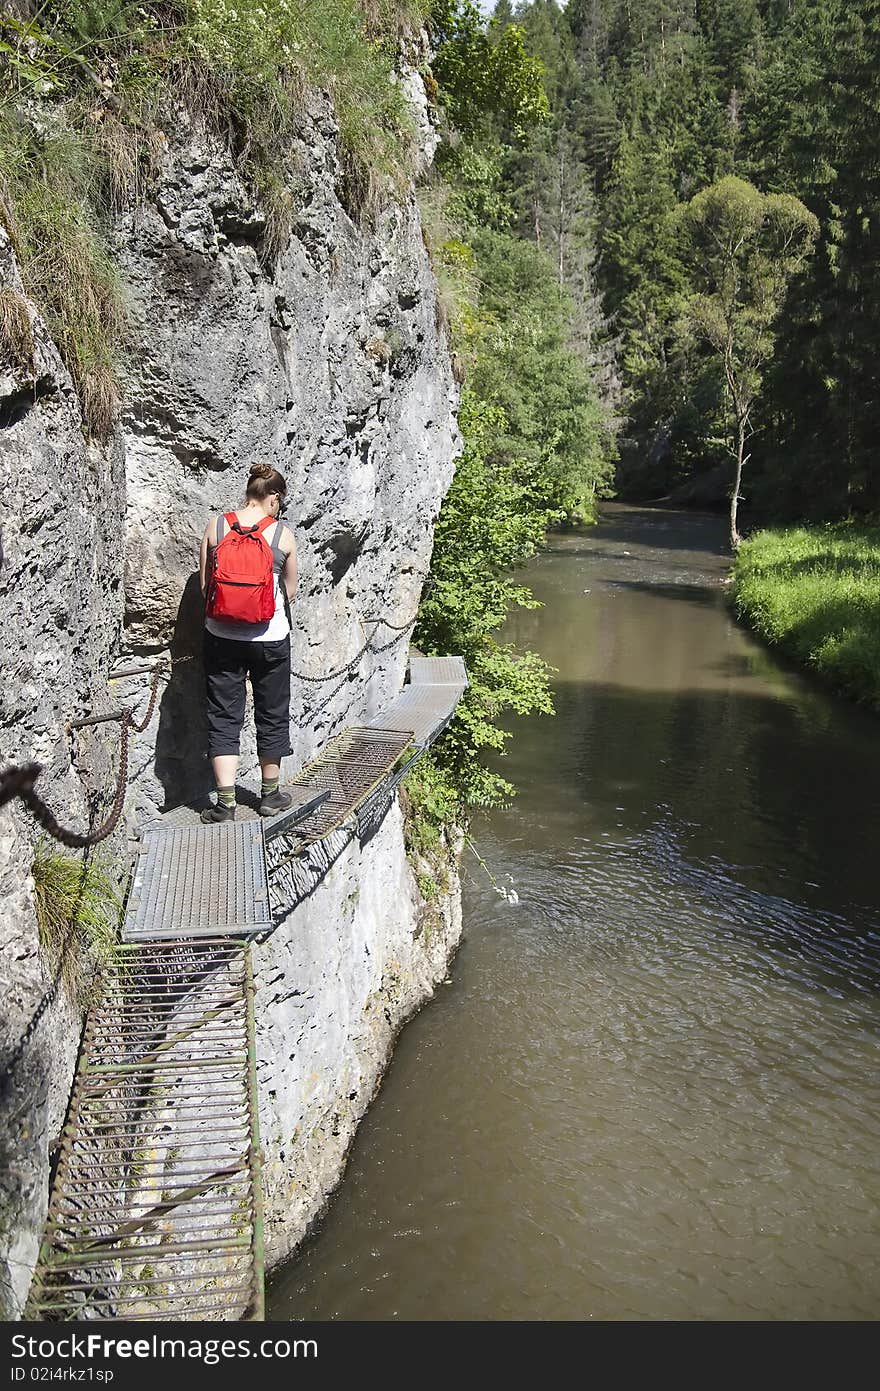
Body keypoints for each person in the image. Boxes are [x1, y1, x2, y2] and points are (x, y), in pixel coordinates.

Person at [198, 463, 298, 822]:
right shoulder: (281, 535)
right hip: (270, 638)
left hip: (221, 635)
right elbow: (290, 590)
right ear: (273, 497)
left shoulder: (218, 526)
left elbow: (206, 586)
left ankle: (225, 803)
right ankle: (269, 796)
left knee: (224, 714)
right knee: (271, 712)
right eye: (279, 501)